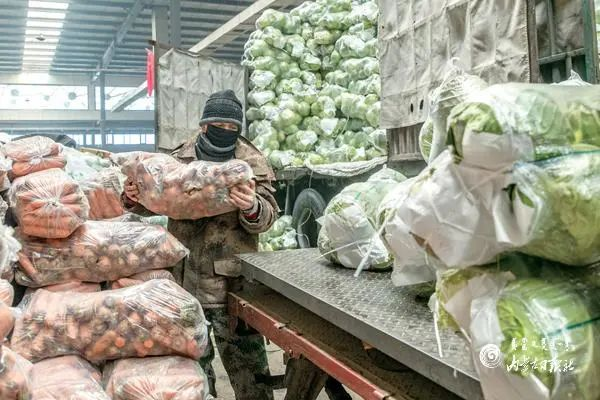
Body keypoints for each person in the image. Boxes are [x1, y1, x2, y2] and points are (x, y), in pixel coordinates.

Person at [123, 90, 278, 400]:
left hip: (231, 284)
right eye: (219, 125)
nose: (225, 132)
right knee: (193, 368)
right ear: (204, 125)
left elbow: (267, 216)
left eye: (232, 128)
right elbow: (154, 200)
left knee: (248, 369)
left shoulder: (250, 163)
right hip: (184, 281)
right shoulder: (178, 159)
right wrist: (132, 197)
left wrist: (251, 207)